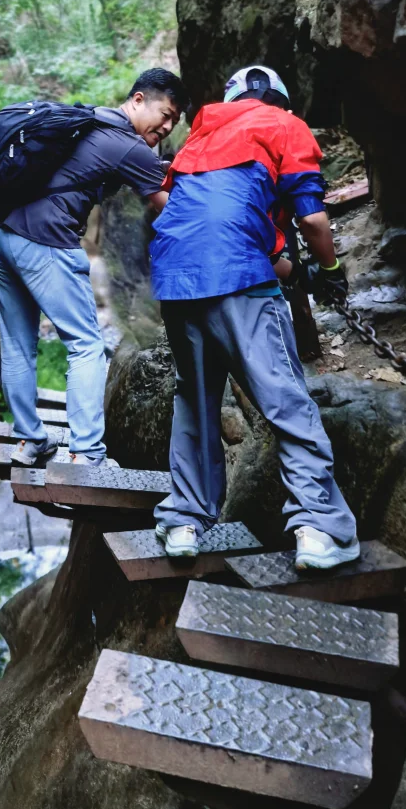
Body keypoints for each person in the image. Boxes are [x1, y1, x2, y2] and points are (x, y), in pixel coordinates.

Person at [148, 64, 359, 568]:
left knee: (195, 400)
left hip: (177, 277)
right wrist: (329, 269)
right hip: (238, 277)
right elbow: (311, 218)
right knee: (285, 398)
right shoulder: (284, 125)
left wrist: (296, 273)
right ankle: (318, 528)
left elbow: (209, 220)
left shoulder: (198, 142)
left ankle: (183, 521)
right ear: (278, 100)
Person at [0, 68, 187, 467]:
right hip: (41, 239)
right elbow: (170, 206)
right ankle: (87, 453)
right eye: (165, 114)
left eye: (175, 122)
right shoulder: (128, 145)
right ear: (138, 100)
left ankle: (28, 441)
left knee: (18, 346)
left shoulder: (85, 120)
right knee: (86, 345)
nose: (166, 126)